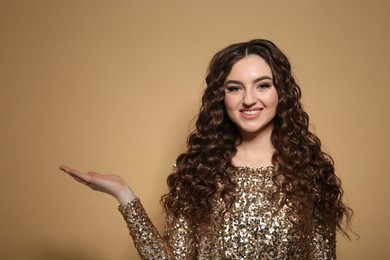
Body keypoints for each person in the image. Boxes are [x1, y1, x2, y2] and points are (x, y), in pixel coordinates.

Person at [59, 39, 353, 259]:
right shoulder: (199, 172)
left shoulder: (308, 172)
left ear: (281, 93)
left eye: (262, 85)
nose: (249, 99)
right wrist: (123, 193)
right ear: (221, 98)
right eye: (234, 88)